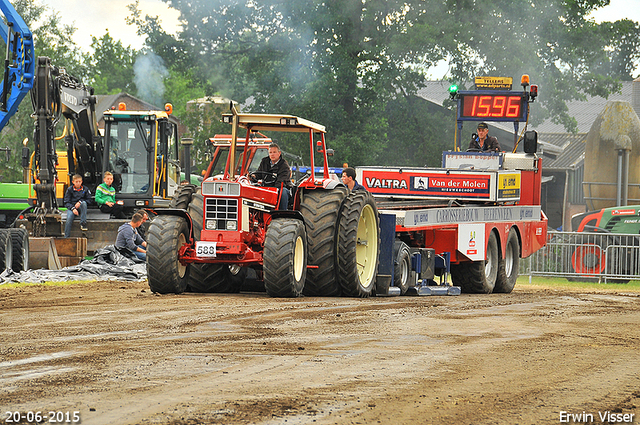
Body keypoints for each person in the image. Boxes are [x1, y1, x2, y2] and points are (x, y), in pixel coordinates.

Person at [252, 142, 292, 209]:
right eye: (270, 152)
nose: (272, 154)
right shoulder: (264, 161)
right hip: (266, 187)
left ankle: (282, 212)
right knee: (254, 189)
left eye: (274, 152)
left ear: (279, 153)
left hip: (279, 187)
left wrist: (271, 189)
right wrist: (254, 176)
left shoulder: (284, 165)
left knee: (283, 192)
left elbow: (282, 180)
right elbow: (259, 173)